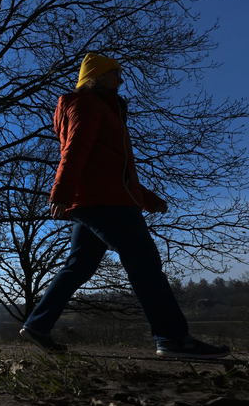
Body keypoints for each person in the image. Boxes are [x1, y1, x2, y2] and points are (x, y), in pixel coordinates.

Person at [19, 53, 230, 359]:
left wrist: (146, 198)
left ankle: (38, 324)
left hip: (100, 199)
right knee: (145, 263)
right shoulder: (88, 105)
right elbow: (75, 150)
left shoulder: (101, 108)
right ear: (98, 76)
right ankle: (172, 338)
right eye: (115, 73)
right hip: (104, 203)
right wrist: (60, 192)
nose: (121, 79)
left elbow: (110, 167)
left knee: (78, 266)